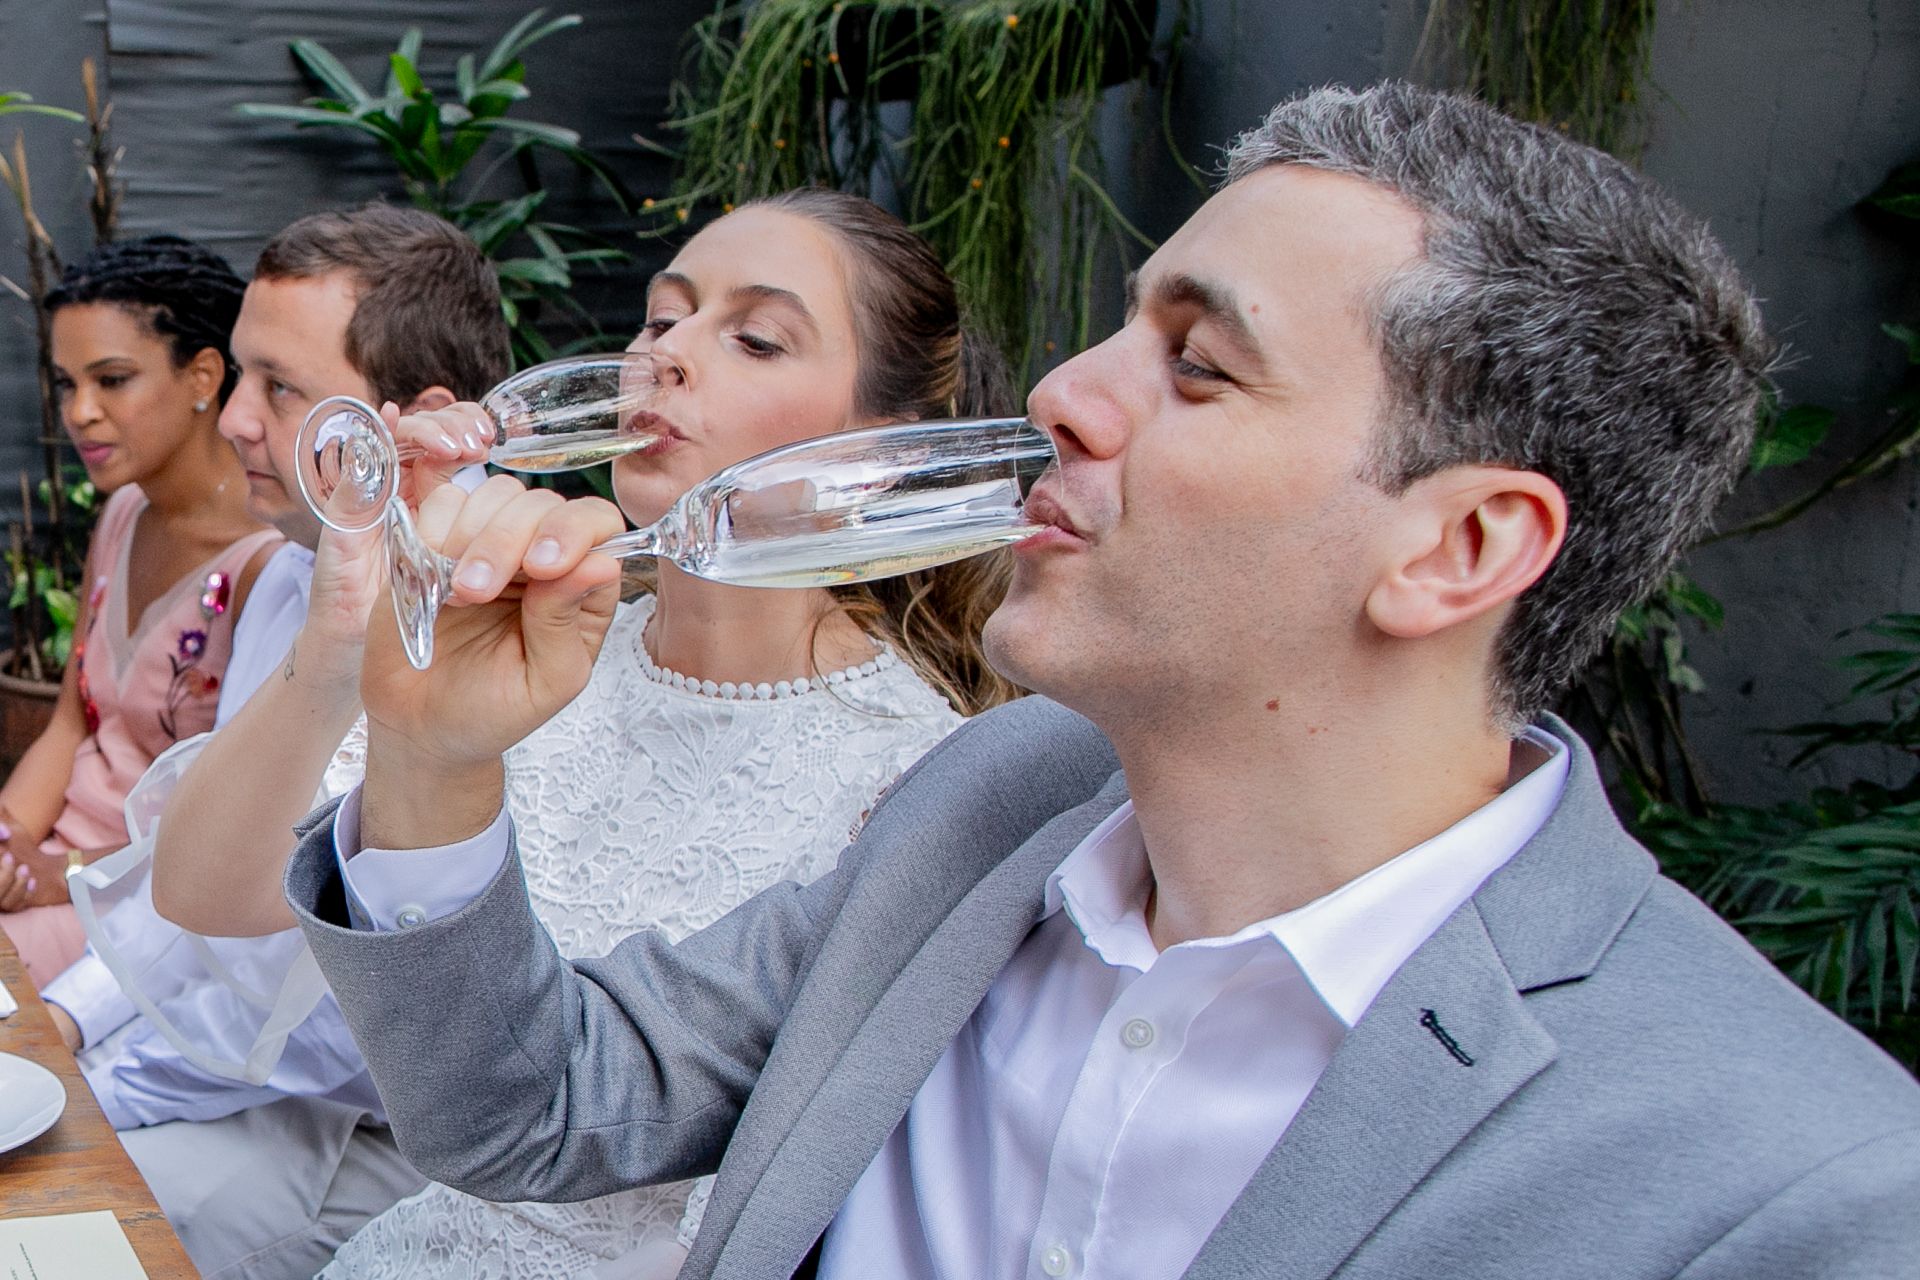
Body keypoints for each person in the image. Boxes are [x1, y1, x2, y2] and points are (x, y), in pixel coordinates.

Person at [280, 82, 1920, 1279]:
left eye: (1198, 365)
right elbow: (534, 1112)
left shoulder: (1792, 1193)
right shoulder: (988, 808)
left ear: (1459, 550)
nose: (1065, 387)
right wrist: (434, 764)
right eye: (1122, 329)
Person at [153, 188, 1017, 1278]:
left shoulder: (919, 775)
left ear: (881, 451)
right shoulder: (533, 652)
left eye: (753, 336)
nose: (665, 357)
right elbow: (203, 893)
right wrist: (346, 612)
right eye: (660, 319)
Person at [37, 204, 508, 1280]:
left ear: (422, 419)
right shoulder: (291, 566)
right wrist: (69, 1013)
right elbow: (184, 887)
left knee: (50, 1221)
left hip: (383, 1129)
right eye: (240, 376)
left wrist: (99, 1082)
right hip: (242, 1069)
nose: (238, 419)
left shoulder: (479, 612)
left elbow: (346, 1018)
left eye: (280, 388)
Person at [0, 236, 280, 987]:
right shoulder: (123, 513)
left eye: (112, 380)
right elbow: (71, 721)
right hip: (48, 870)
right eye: (66, 384)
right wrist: (8, 841)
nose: (80, 412)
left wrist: (61, 876)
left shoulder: (266, 568)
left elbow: (246, 825)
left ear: (203, 376)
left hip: (151, 909)